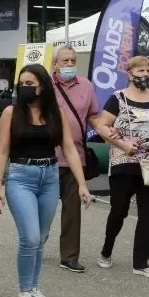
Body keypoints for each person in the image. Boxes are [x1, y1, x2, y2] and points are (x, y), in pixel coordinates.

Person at [0, 64, 93, 297]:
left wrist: (82, 183)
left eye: (31, 84)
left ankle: (35, 288)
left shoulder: (55, 112)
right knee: (30, 237)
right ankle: (24, 292)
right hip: (20, 176)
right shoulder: (10, 112)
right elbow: (2, 150)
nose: (25, 88)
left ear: (43, 86)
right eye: (22, 84)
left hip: (49, 176)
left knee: (42, 236)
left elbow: (69, 148)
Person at [93, 56, 149, 279]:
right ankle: (106, 251)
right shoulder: (118, 98)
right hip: (124, 163)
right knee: (119, 211)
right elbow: (102, 126)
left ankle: (141, 263)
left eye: (148, 71)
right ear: (130, 74)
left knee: (147, 214)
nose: (145, 74)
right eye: (140, 70)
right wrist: (123, 144)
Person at [51, 46, 100, 273]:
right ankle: (35, 241)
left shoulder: (87, 86)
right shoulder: (45, 87)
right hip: (48, 158)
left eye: (72, 60)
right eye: (65, 61)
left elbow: (93, 116)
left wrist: (114, 134)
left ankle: (69, 256)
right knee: (44, 210)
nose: (69, 64)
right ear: (55, 65)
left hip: (75, 159)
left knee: (72, 210)